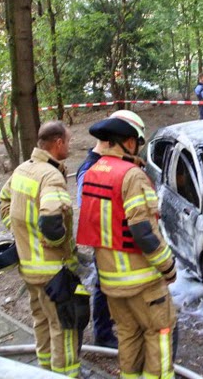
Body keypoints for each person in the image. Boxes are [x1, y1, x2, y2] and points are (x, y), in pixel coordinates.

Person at [76, 114, 177, 379]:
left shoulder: (92, 173)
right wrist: (168, 266)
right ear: (130, 143)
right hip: (143, 281)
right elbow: (144, 232)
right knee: (160, 335)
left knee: (128, 337)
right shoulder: (132, 176)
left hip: (111, 282)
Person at [0, 121, 82, 378]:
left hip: (29, 268)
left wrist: (21, 233)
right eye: (68, 141)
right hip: (53, 273)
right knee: (64, 330)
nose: (69, 145)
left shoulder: (23, 169)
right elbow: (51, 221)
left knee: (42, 322)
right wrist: (57, 246)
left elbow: (3, 202)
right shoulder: (51, 176)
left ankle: (44, 371)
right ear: (58, 144)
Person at [76, 118, 118, 350]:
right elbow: (88, 206)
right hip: (104, 237)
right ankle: (102, 333)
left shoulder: (101, 163)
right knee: (104, 285)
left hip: (111, 236)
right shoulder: (90, 168)